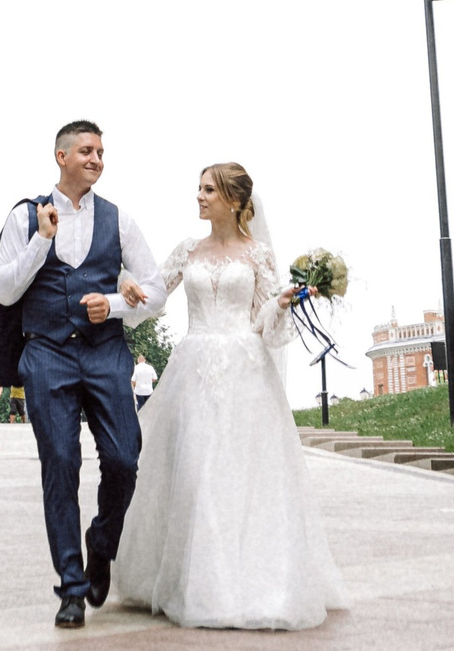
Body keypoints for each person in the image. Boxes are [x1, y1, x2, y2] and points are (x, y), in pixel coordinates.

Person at [111, 163, 347, 631]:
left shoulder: (257, 255)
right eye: (198, 189)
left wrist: (280, 305)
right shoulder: (187, 250)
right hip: (193, 369)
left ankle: (248, 585)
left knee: (240, 474)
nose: (199, 197)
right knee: (196, 469)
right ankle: (195, 581)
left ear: (235, 201)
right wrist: (128, 289)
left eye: (209, 190)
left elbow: (265, 326)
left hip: (245, 372)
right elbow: (156, 295)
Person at [0, 120, 168, 629]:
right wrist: (41, 242)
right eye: (87, 151)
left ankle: (101, 543)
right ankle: (70, 586)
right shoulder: (25, 217)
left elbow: (154, 291)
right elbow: (3, 291)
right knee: (61, 465)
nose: (97, 159)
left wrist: (111, 305)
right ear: (61, 156)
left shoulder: (118, 219)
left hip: (106, 352)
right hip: (46, 355)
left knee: (124, 459)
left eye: (102, 152)